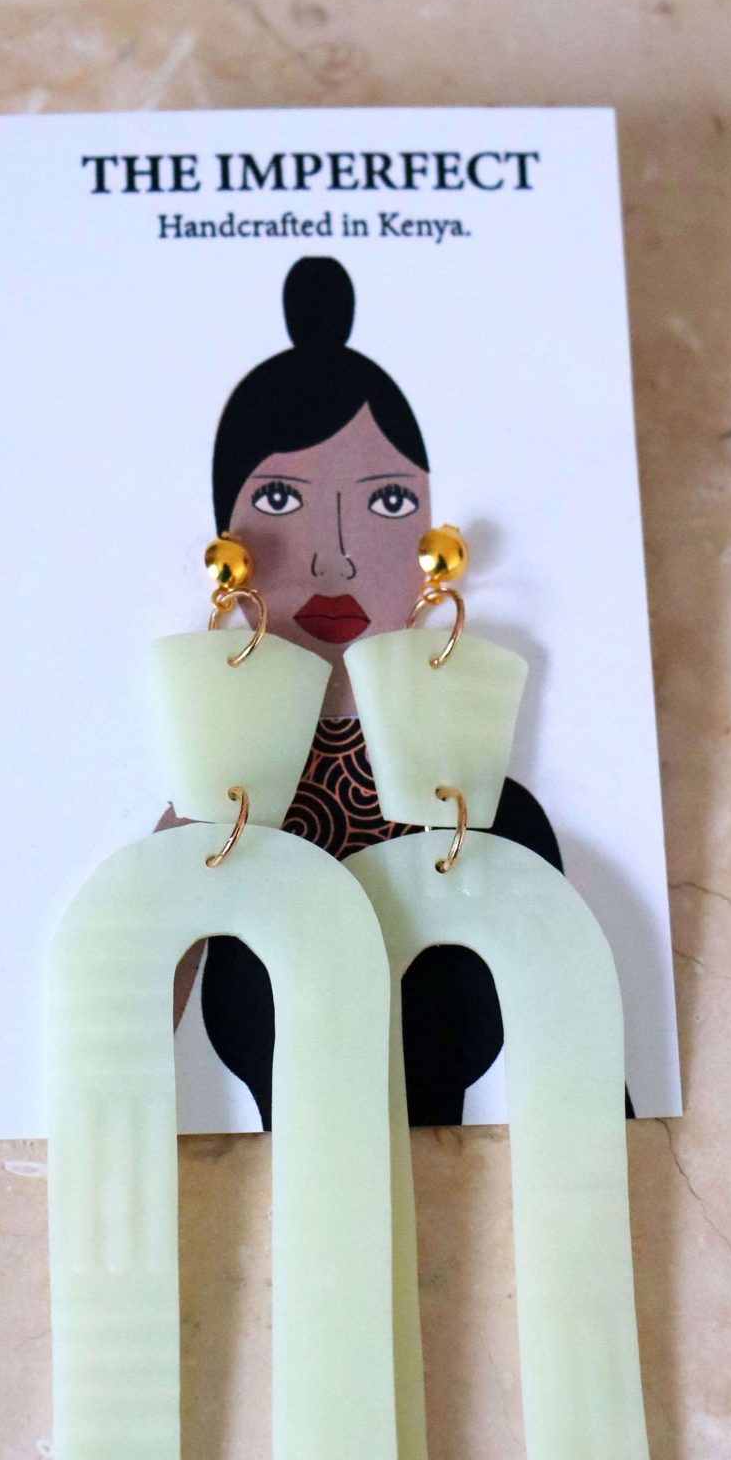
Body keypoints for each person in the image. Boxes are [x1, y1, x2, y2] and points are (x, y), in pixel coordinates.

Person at [178, 255, 564, 1127]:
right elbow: (121, 1042)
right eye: (280, 499)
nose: (334, 558)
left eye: (388, 503)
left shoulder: (496, 822)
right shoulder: (209, 821)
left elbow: (579, 1071)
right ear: (224, 532)